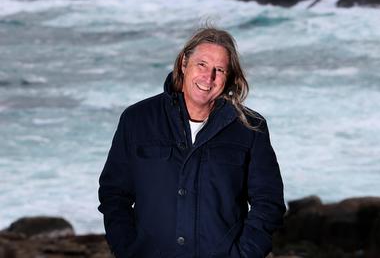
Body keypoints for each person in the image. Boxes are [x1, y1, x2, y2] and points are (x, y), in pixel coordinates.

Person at [98, 27, 286, 258]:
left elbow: (269, 203)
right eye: (202, 65)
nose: (209, 77)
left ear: (229, 77)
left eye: (219, 70)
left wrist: (244, 254)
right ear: (183, 63)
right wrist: (127, 250)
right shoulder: (137, 119)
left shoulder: (250, 128)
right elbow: (114, 194)